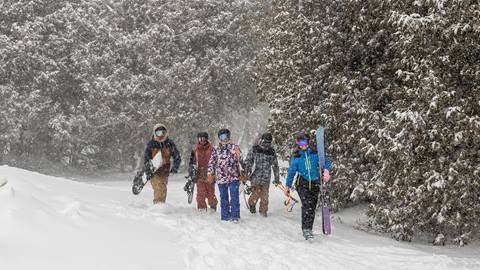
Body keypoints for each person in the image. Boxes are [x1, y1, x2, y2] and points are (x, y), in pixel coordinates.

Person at [284, 132, 331, 239]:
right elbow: (291, 172)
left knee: (312, 207)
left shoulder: (315, 153)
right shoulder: (296, 156)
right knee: (307, 205)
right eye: (300, 143)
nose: (302, 145)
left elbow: (326, 162)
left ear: (308, 142)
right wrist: (287, 186)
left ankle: (309, 228)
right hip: (302, 183)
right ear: (297, 143)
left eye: (304, 142)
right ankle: (306, 229)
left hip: (315, 183)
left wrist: (327, 171)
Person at [207, 128, 242, 222]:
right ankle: (225, 216)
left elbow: (241, 161)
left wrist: (243, 173)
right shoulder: (216, 149)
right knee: (224, 198)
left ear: (229, 136)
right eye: (221, 137)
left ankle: (235, 216)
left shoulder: (235, 148)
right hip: (221, 178)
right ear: (219, 138)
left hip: (233, 176)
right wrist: (210, 173)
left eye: (225, 136)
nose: (224, 139)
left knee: (234, 197)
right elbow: (211, 162)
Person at [242, 132, 280, 217]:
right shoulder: (255, 149)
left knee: (265, 197)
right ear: (261, 140)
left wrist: (277, 178)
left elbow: (275, 166)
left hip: (266, 178)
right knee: (256, 193)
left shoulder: (271, 152)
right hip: (255, 177)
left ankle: (263, 212)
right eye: (265, 142)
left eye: (268, 143)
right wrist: (246, 172)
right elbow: (248, 161)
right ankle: (252, 203)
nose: (266, 144)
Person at [143, 124, 181, 204]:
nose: (161, 135)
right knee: (158, 187)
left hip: (165, 171)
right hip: (154, 171)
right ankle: (157, 204)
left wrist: (175, 167)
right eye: (158, 133)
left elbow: (177, 156)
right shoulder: (151, 144)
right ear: (154, 133)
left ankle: (162, 206)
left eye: (163, 132)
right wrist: (148, 168)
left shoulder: (169, 144)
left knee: (163, 189)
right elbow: (146, 157)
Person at [188, 132, 218, 212]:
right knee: (200, 193)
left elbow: (216, 161)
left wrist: (215, 172)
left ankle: (213, 206)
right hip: (199, 174)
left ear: (207, 139)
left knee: (210, 193)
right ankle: (201, 208)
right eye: (200, 138)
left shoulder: (212, 149)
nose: (202, 140)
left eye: (204, 138)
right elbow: (191, 163)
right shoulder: (195, 150)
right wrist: (191, 173)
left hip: (209, 174)